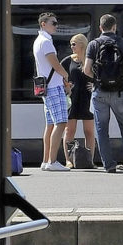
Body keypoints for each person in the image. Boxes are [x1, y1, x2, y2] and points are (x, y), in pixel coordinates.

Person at [82, 14, 123, 173]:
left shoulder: (93, 44)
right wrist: (120, 77)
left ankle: (109, 165)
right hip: (119, 93)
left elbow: (86, 70)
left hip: (99, 93)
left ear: (100, 27)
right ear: (114, 27)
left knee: (101, 129)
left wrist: (100, 79)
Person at [32, 11, 72, 171]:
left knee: (50, 124)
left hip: (46, 88)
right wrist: (65, 75)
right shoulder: (46, 42)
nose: (56, 25)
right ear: (43, 24)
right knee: (61, 122)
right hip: (54, 87)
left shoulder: (38, 41)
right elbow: (54, 63)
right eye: (53, 23)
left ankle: (45, 160)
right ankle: (52, 161)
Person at [63, 33, 96, 169]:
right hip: (72, 98)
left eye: (74, 44)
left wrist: (95, 85)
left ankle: (90, 160)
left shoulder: (90, 60)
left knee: (89, 131)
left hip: (87, 98)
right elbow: (58, 74)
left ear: (82, 44)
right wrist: (66, 86)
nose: (71, 47)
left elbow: (99, 75)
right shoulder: (68, 60)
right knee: (69, 130)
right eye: (71, 44)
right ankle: (68, 160)